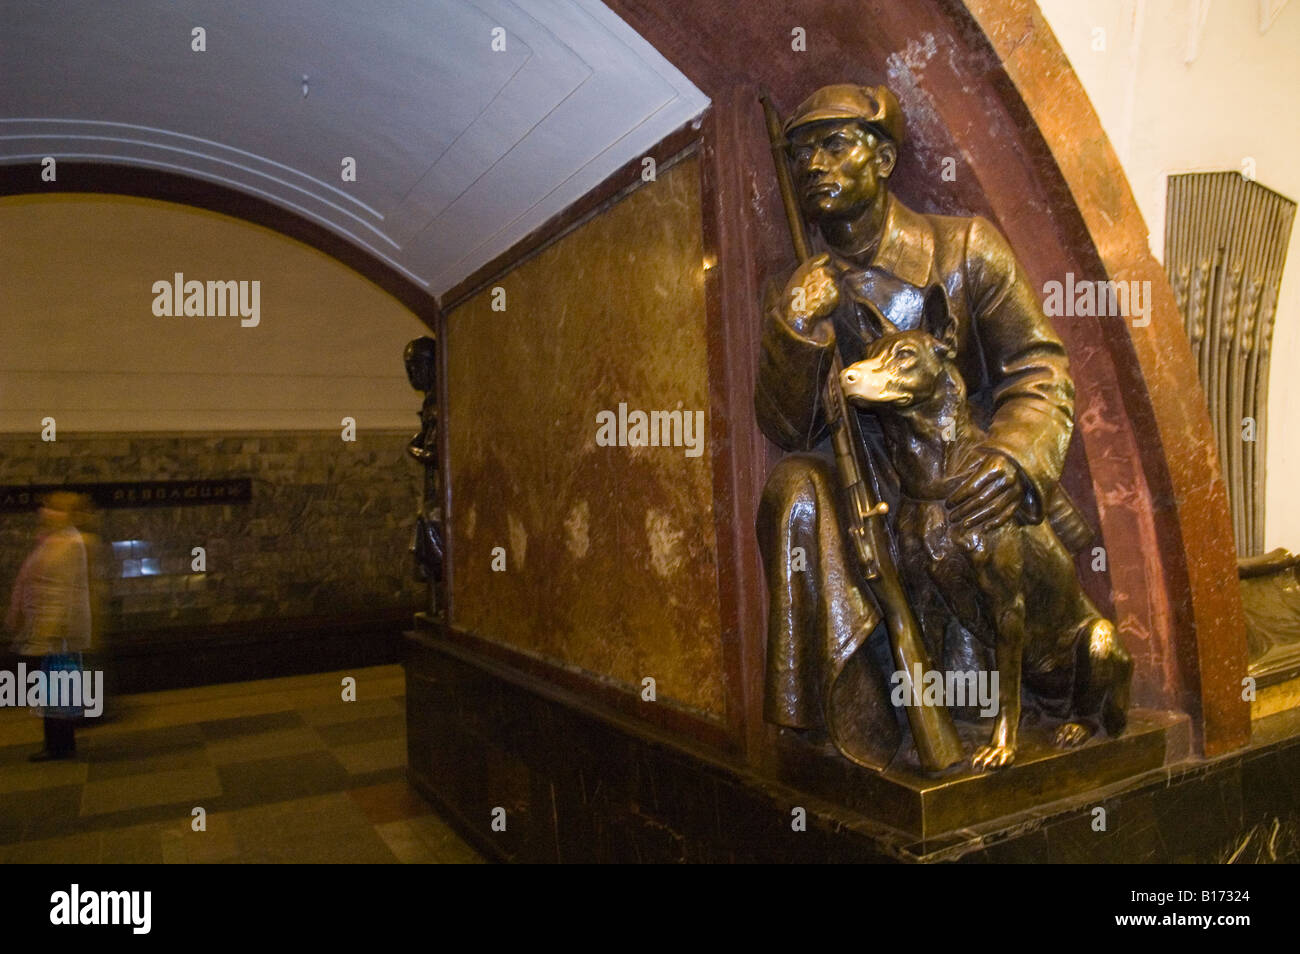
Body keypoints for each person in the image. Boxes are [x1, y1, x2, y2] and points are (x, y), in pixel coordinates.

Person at [756, 84, 1090, 766]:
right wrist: (795, 326)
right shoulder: (800, 289)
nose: (812, 164)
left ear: (882, 159)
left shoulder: (964, 247)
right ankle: (852, 722)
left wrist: (1013, 458)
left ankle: (996, 700)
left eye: (833, 144)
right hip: (875, 489)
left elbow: (1039, 369)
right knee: (791, 487)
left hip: (962, 476)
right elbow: (791, 428)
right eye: (799, 153)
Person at [5, 491, 93, 761]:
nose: (46, 512)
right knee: (53, 688)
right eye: (46, 507)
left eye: (54, 508)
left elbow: (63, 590)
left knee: (57, 689)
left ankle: (59, 746)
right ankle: (58, 744)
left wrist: (53, 629)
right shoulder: (53, 540)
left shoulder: (68, 543)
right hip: (47, 627)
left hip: (57, 631)